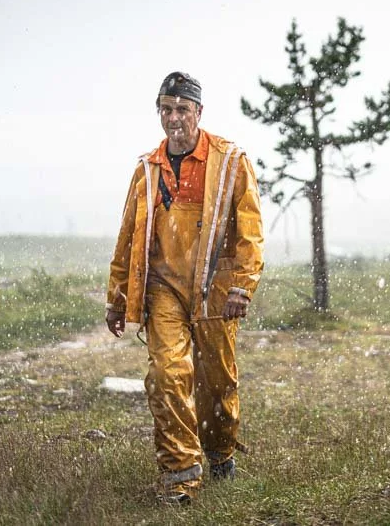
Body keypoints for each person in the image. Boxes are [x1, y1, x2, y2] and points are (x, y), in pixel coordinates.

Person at [105, 71, 264, 505]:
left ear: (198, 112)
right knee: (166, 375)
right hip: (164, 289)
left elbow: (250, 228)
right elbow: (128, 236)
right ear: (159, 112)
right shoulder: (147, 169)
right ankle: (181, 474)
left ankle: (220, 453)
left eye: (182, 110)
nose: (174, 118)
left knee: (217, 381)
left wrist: (243, 285)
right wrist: (118, 297)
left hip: (216, 286)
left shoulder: (231, 161)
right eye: (166, 109)